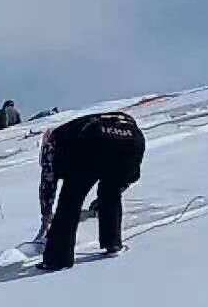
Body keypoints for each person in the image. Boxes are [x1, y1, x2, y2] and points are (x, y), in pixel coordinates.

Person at [35, 111, 145, 271]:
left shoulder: (53, 141)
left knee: (70, 201)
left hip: (93, 142)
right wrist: (106, 199)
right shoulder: (73, 130)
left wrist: (46, 216)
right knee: (111, 193)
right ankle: (112, 243)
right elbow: (131, 175)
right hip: (134, 141)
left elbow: (48, 181)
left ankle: (57, 259)